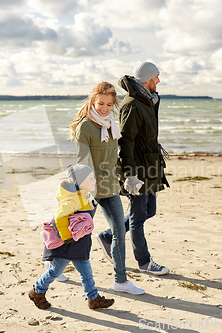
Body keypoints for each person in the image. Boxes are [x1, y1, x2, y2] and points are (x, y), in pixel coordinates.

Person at [96, 62, 170, 275]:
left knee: (149, 211)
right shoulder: (132, 105)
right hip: (137, 169)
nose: (159, 80)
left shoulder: (149, 100)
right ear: (147, 79)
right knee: (138, 217)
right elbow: (125, 142)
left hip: (150, 166)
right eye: (156, 77)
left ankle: (108, 236)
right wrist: (130, 175)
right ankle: (144, 262)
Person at [70, 82, 145, 295]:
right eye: (100, 103)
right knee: (77, 233)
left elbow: (114, 158)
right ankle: (54, 264)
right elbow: (82, 161)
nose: (104, 108)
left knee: (119, 232)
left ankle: (121, 281)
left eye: (108, 104)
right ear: (93, 101)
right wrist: (86, 189)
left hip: (110, 187)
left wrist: (129, 177)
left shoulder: (112, 124)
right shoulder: (86, 127)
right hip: (90, 190)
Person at [29, 164, 115, 310]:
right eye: (91, 178)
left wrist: (91, 204)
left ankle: (93, 298)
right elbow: (59, 217)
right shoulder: (72, 199)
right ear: (80, 182)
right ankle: (37, 291)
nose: (94, 180)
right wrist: (67, 237)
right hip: (68, 243)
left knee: (86, 271)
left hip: (78, 242)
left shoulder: (82, 195)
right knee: (55, 271)